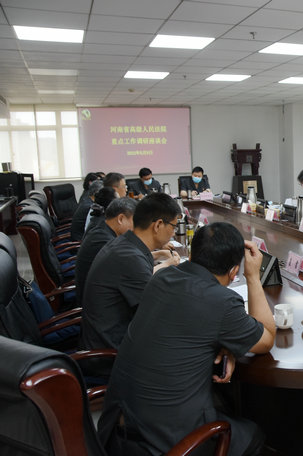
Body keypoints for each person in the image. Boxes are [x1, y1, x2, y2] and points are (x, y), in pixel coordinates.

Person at [98, 222, 275, 456]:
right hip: (163, 444)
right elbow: (267, 338)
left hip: (114, 427)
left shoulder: (161, 278)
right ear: (234, 272)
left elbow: (181, 328)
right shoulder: (221, 301)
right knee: (253, 434)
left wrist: (225, 344)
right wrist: (252, 277)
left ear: (191, 255)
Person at [80, 193, 181, 350]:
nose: (174, 233)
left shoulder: (125, 244)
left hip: (111, 335)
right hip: (110, 352)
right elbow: (160, 314)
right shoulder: (129, 258)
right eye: (174, 226)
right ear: (158, 225)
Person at [75, 198, 137, 308]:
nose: (135, 228)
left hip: (98, 295)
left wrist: (157, 254)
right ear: (121, 219)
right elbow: (132, 271)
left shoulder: (103, 228)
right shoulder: (104, 241)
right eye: (134, 222)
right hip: (95, 305)